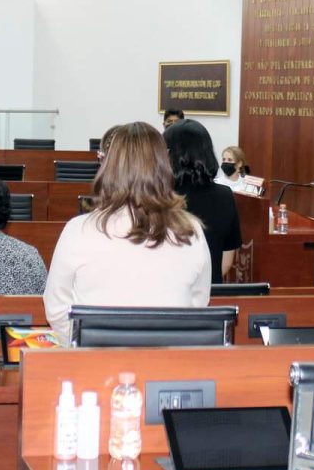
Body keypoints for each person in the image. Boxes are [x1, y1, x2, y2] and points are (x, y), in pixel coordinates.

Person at [43, 122, 209, 340]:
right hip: (167, 356)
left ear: (109, 168)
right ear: (164, 166)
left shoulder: (78, 230)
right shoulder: (191, 231)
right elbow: (197, 305)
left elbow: (56, 309)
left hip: (96, 357)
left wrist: (85, 346)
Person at [165, 119, 242, 284]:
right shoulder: (225, 196)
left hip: (168, 293)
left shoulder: (160, 197)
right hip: (211, 292)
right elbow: (226, 261)